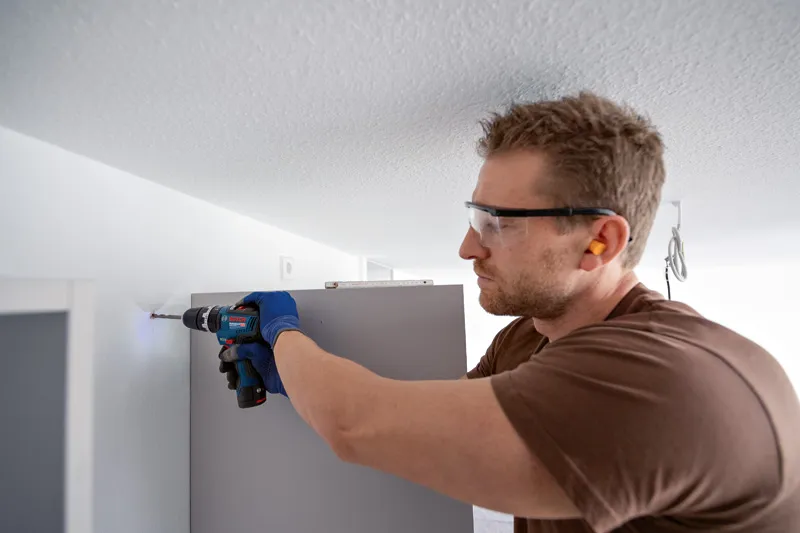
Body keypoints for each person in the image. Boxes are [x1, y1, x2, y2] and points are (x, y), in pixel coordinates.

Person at [222, 92, 800, 532]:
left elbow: (359, 426)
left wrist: (281, 333)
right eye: (477, 220)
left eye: (497, 224)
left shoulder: (667, 379)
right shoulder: (528, 337)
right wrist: (293, 379)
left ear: (599, 240)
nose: (468, 248)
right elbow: (426, 428)